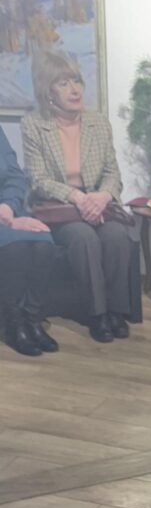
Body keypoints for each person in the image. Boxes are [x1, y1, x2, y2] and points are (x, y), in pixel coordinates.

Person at [21, 49, 133, 344]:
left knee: (117, 236)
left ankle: (117, 311)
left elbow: (112, 172)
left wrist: (103, 196)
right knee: (84, 238)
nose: (74, 89)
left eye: (76, 81)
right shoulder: (33, 124)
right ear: (48, 92)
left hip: (97, 203)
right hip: (60, 207)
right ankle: (97, 314)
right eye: (63, 83)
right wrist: (76, 197)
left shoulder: (98, 123)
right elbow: (38, 179)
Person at [0, 128, 59, 356]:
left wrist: (8, 207)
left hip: (7, 211)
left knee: (43, 243)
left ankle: (32, 320)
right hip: (4, 218)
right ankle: (14, 326)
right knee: (15, 248)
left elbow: (15, 176)